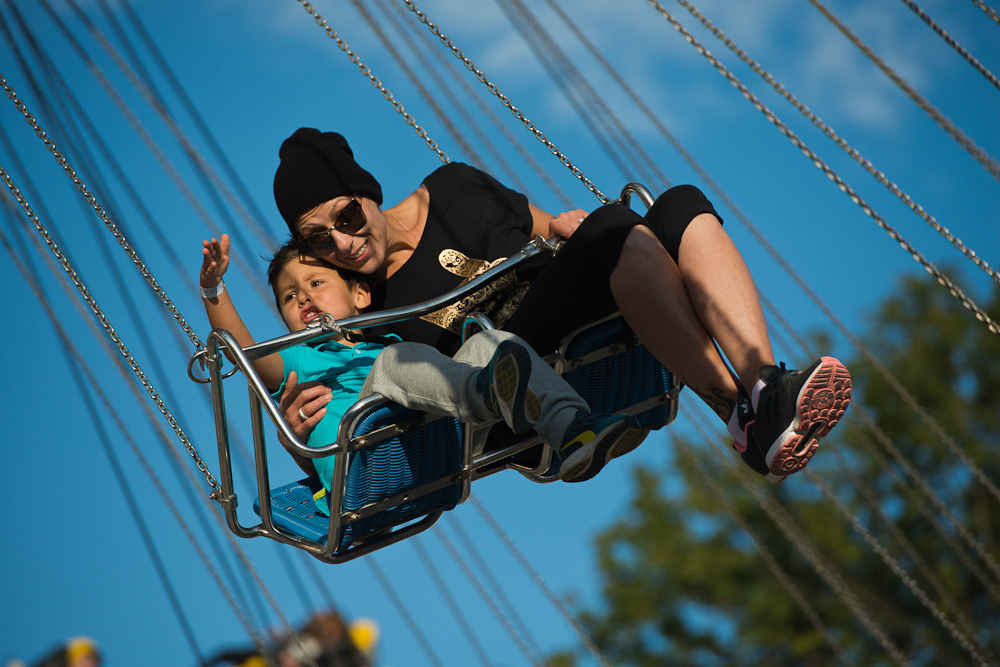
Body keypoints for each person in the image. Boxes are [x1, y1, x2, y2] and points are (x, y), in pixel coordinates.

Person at [270, 128, 852, 484]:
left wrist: (570, 226)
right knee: (613, 229)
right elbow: (344, 390)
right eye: (319, 239)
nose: (343, 243)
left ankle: (764, 390)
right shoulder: (357, 307)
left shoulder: (454, 188)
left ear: (365, 191)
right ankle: (734, 411)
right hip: (512, 370)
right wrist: (295, 438)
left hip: (571, 303)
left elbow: (553, 226)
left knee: (676, 205)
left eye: (346, 217)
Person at [199, 235, 645, 501]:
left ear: (360, 296)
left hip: (434, 445)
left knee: (489, 340)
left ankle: (572, 430)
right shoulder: (297, 359)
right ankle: (488, 394)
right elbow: (243, 352)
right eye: (288, 297)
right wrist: (214, 289)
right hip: (364, 465)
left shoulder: (385, 344)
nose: (303, 298)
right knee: (400, 361)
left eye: (316, 283)